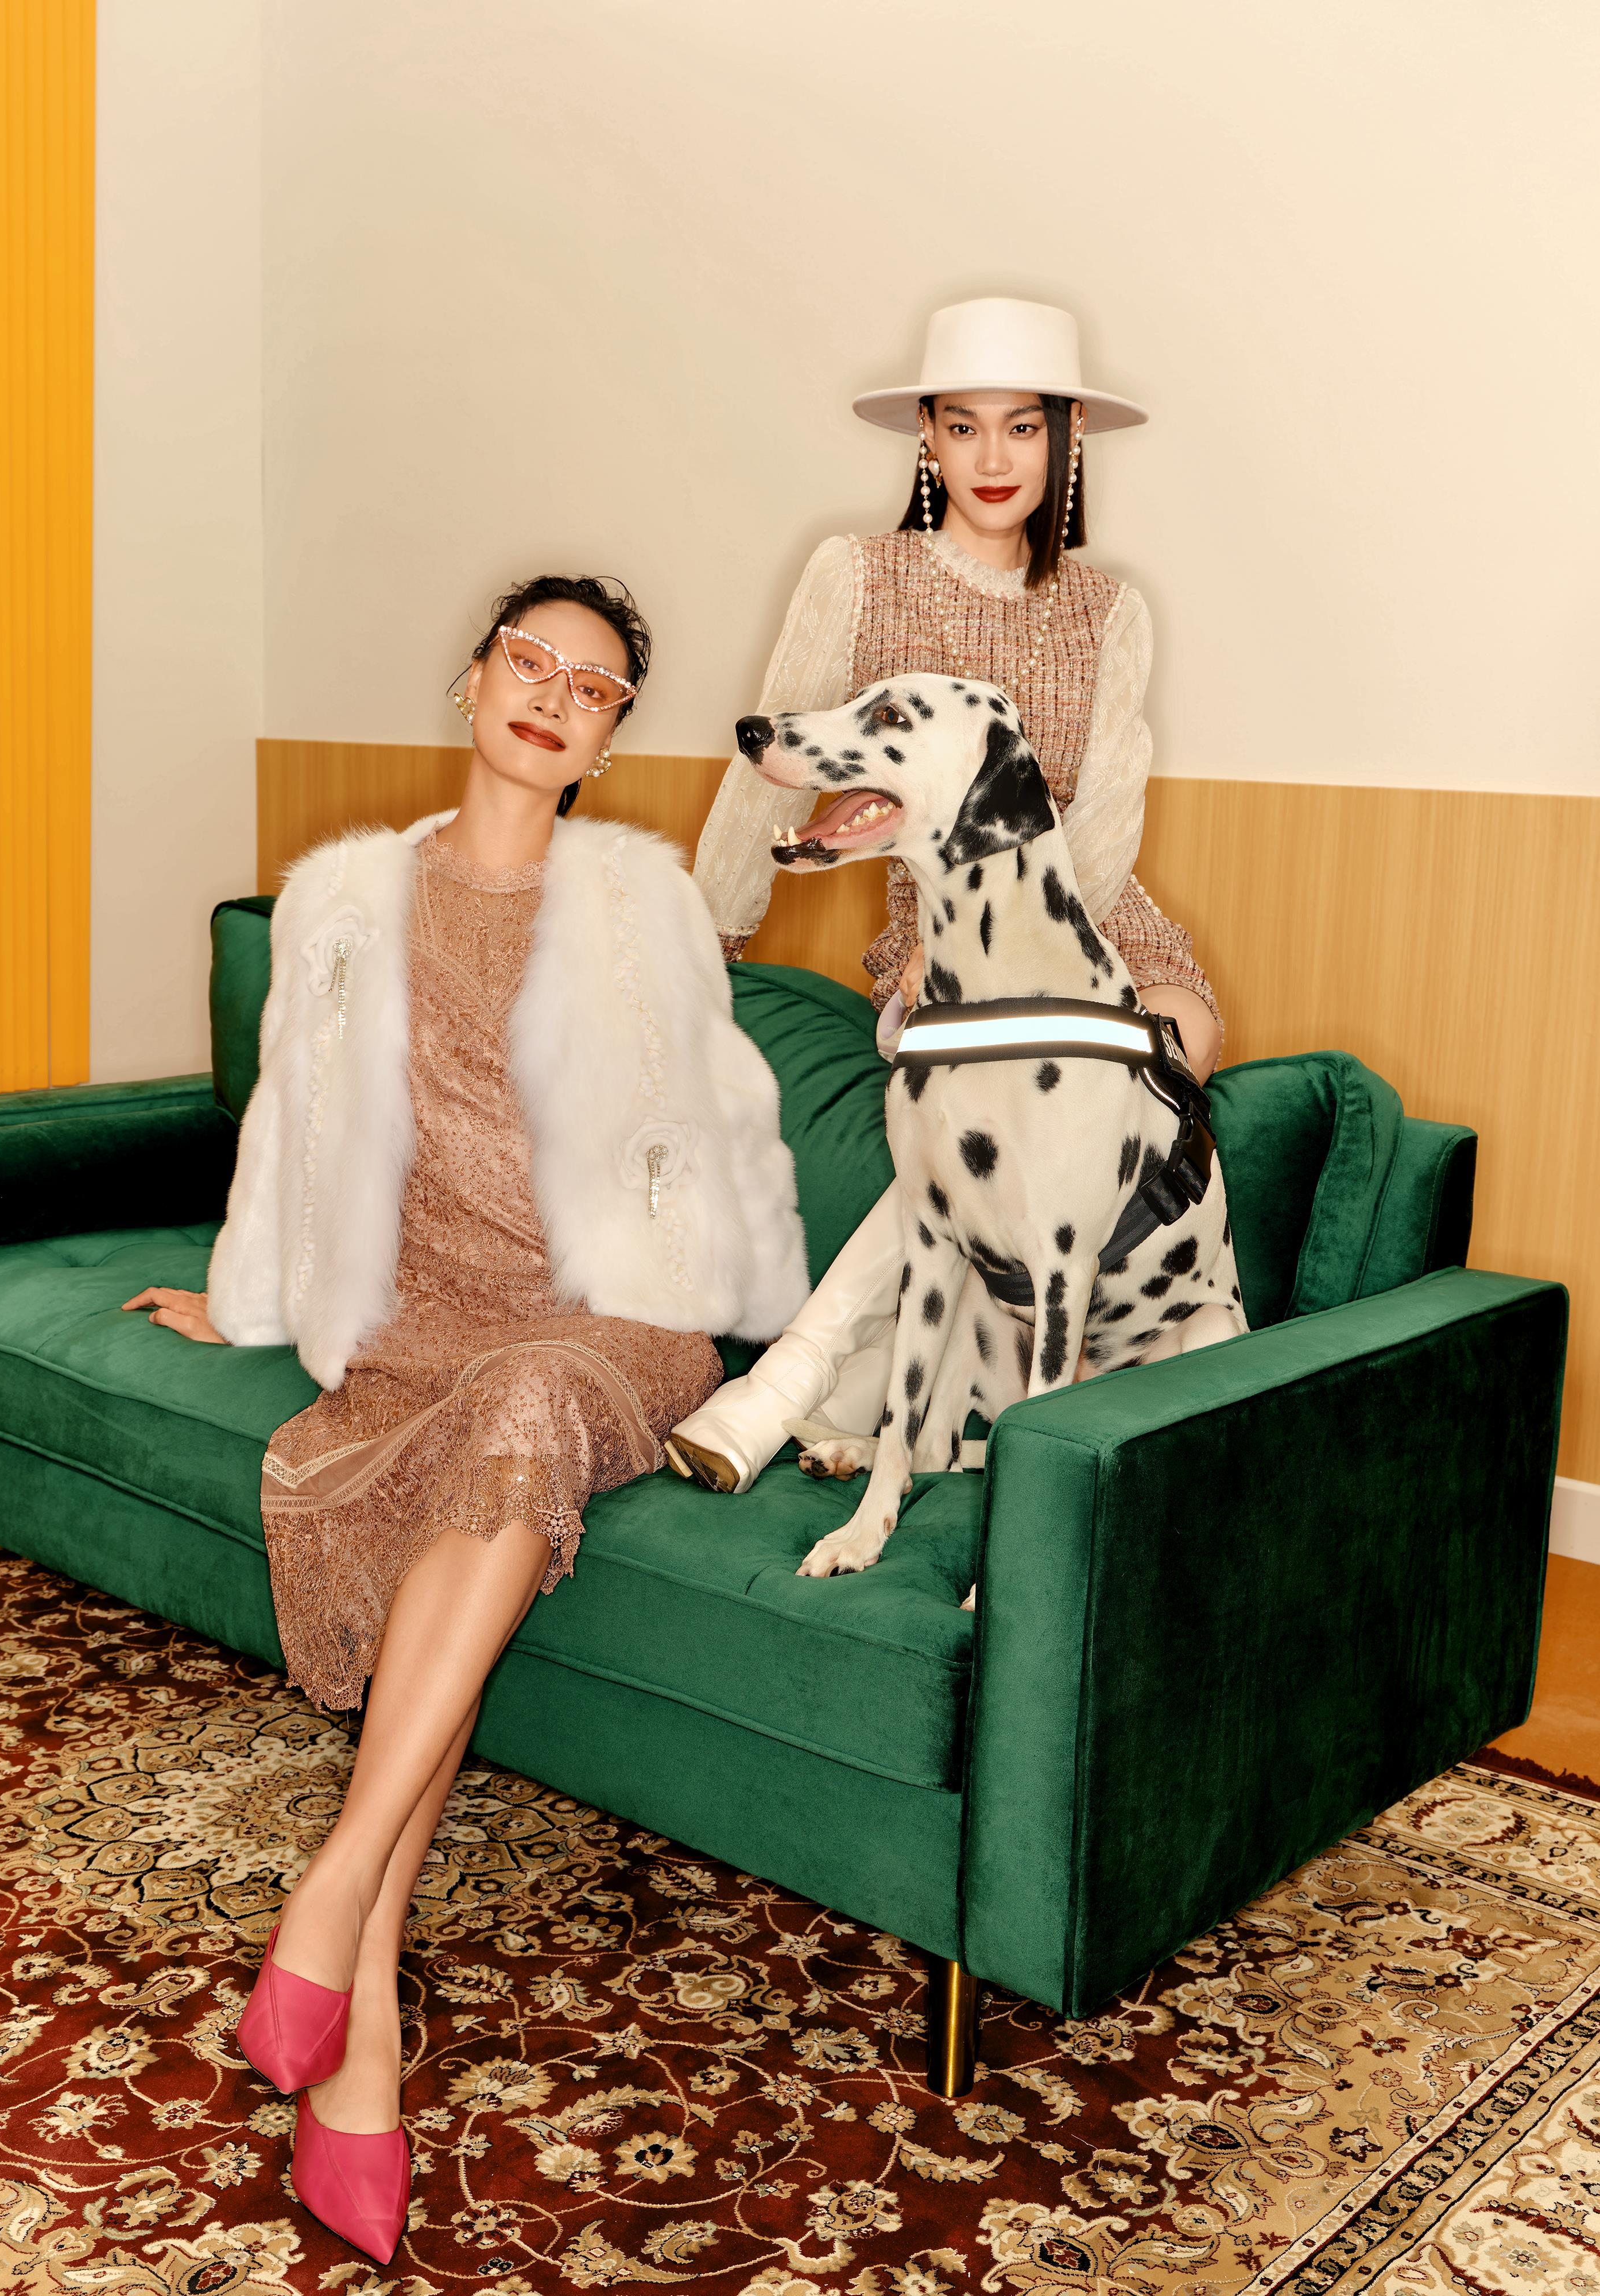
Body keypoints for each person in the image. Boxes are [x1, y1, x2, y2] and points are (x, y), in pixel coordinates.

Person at [123, 574, 807, 2267]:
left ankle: (334, 1895)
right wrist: (252, 1294)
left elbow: (706, 1135)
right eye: (532, 660)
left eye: (596, 686)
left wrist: (790, 1354)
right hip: (420, 1320)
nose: (555, 694)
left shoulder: (640, 906)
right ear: (474, 679)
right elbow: (298, 1117)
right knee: (470, 1476)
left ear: (608, 739)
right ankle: (357, 2006)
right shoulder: (350, 898)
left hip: (607, 1323)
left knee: (526, 1403)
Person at [667, 298, 1221, 1494]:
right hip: (934, 939)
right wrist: (707, 941)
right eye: (963, 426)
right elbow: (769, 777)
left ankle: (994, 1405)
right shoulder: (859, 574)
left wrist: (1023, 944)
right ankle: (796, 1381)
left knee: (1168, 1054)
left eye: (1023, 426)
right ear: (926, 434)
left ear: (1066, 436)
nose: (992, 457)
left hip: (1096, 927)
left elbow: (1106, 822)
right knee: (981, 1126)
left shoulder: (1111, 611)